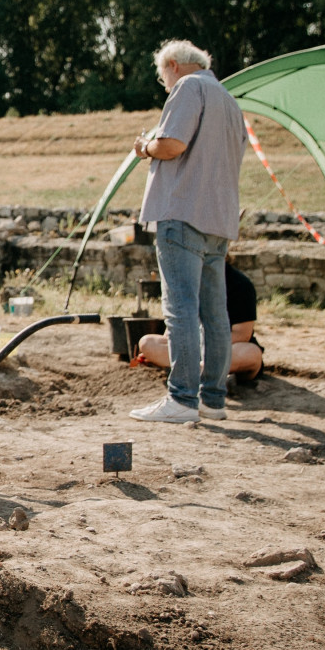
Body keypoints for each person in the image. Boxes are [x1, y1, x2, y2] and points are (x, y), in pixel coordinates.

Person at [128, 39, 247, 424]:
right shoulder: (229, 101)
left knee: (180, 310)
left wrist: (145, 146)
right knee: (216, 314)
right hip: (219, 218)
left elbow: (173, 144)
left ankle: (181, 398)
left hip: (183, 212)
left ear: (175, 65)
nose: (164, 84)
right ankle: (213, 398)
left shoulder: (188, 87)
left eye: (163, 76)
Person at [133, 260, 264, 384]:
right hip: (190, 350)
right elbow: (173, 328)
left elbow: (242, 334)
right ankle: (201, 373)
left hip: (222, 349)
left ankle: (198, 372)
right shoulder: (184, 283)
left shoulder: (240, 284)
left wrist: (205, 348)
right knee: (147, 343)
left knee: (252, 353)